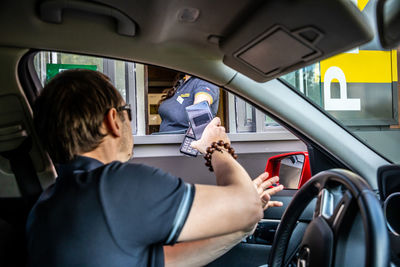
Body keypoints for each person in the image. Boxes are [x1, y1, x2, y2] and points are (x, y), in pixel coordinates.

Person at [27, 69, 283, 267]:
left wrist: (242, 227)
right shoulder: (117, 185)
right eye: (127, 110)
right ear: (113, 120)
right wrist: (216, 147)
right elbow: (248, 206)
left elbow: (169, 261)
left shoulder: (46, 205)